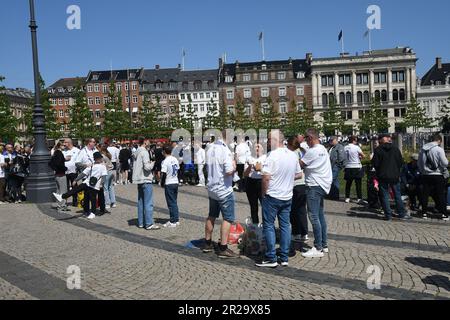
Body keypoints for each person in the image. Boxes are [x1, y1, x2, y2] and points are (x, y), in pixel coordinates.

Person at [256, 130, 303, 268]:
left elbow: (265, 177)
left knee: (269, 226)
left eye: (269, 139)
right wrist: (286, 178)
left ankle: (271, 257)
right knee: (285, 226)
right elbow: (299, 174)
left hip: (273, 195)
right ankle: (284, 256)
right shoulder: (292, 155)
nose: (268, 142)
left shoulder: (272, 156)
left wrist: (263, 193)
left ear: (276, 140)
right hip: (287, 196)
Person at [202, 132, 239, 259]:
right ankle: (223, 248)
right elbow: (229, 171)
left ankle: (207, 243)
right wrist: (234, 165)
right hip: (223, 189)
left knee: (212, 215)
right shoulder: (225, 150)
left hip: (212, 187)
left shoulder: (209, 148)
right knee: (228, 218)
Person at [300, 128, 333, 258]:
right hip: (322, 184)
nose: (306, 142)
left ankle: (318, 247)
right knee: (320, 216)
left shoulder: (313, 151)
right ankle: (324, 245)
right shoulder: (322, 149)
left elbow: (300, 164)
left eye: (306, 139)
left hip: (313, 185)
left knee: (313, 216)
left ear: (310, 138)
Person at [53, 152, 107, 220]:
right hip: (89, 183)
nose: (100, 159)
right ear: (97, 158)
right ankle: (62, 196)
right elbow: (84, 174)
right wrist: (76, 180)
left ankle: (93, 213)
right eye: (99, 158)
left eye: (99, 158)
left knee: (92, 198)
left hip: (93, 184)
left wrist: (101, 184)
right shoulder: (93, 166)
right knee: (77, 190)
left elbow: (103, 176)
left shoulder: (100, 166)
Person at [372, 134, 411, 221]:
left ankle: (388, 215)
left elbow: (375, 164)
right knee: (397, 195)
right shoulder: (395, 149)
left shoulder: (378, 150)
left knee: (385, 195)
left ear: (382, 140)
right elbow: (400, 162)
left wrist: (379, 170)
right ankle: (401, 213)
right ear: (388, 139)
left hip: (383, 175)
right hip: (394, 175)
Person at [418, 134, 449, 221]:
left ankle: (424, 213)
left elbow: (419, 163)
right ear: (439, 140)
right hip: (438, 174)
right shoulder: (439, 149)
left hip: (426, 175)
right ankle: (444, 214)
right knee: (440, 194)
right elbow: (445, 163)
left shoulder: (422, 150)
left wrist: (423, 171)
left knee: (425, 194)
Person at [132, 138, 160, 230]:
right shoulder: (144, 152)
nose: (150, 143)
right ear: (145, 142)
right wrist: (153, 163)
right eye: (149, 141)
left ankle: (141, 222)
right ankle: (149, 223)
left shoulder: (137, 152)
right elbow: (147, 167)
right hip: (145, 179)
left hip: (139, 179)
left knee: (141, 202)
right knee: (148, 202)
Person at [287, 137, 309, 243]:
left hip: (295, 184)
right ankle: (304, 233)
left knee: (293, 210)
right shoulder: (302, 151)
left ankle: (296, 232)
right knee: (301, 210)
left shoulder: (292, 154)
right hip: (303, 183)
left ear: (291, 145)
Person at [243, 143, 267, 225]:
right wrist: (250, 167)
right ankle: (255, 226)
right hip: (251, 182)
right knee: (253, 206)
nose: (256, 148)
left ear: (263, 149)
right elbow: (245, 174)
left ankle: (266, 226)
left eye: (258, 146)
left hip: (262, 182)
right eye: (255, 146)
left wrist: (261, 169)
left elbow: (270, 173)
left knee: (265, 206)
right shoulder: (249, 158)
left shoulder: (266, 158)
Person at [160, 145, 180, 228]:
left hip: (169, 183)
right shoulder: (175, 159)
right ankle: (176, 219)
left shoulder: (165, 161)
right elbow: (178, 169)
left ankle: (173, 221)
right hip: (175, 181)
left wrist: (162, 183)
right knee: (174, 201)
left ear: (164, 152)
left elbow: (163, 173)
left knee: (171, 203)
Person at [344, 136, 366, 205]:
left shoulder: (345, 147)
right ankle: (359, 198)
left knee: (348, 183)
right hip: (356, 166)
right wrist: (359, 157)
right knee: (358, 183)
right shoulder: (356, 147)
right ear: (354, 140)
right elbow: (363, 155)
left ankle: (347, 197)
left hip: (348, 166)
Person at [49, 142, 68, 210]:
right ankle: (62, 205)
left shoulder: (55, 153)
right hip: (61, 174)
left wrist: (54, 169)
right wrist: (65, 168)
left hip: (57, 174)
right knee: (63, 190)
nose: (65, 146)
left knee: (58, 191)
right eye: (63, 145)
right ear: (60, 146)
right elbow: (59, 164)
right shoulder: (59, 153)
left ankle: (58, 204)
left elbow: (50, 163)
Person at [328, 136, 347, 201]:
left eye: (332, 140)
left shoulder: (339, 146)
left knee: (332, 179)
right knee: (335, 181)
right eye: (330, 140)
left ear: (336, 140)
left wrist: (338, 164)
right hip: (331, 166)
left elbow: (341, 157)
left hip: (335, 166)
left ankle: (332, 195)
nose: (330, 141)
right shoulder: (331, 147)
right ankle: (334, 195)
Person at [63, 138, 80, 207]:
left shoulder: (77, 150)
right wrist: (64, 159)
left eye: (65, 142)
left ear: (69, 143)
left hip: (73, 172)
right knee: (65, 187)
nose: (64, 144)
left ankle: (75, 200)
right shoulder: (63, 151)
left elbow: (80, 160)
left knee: (74, 186)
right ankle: (65, 202)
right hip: (65, 172)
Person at [100, 144, 116, 210]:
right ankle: (113, 202)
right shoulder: (108, 154)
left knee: (105, 188)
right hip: (111, 172)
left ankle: (107, 203)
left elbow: (103, 165)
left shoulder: (102, 156)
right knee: (111, 187)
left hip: (107, 172)